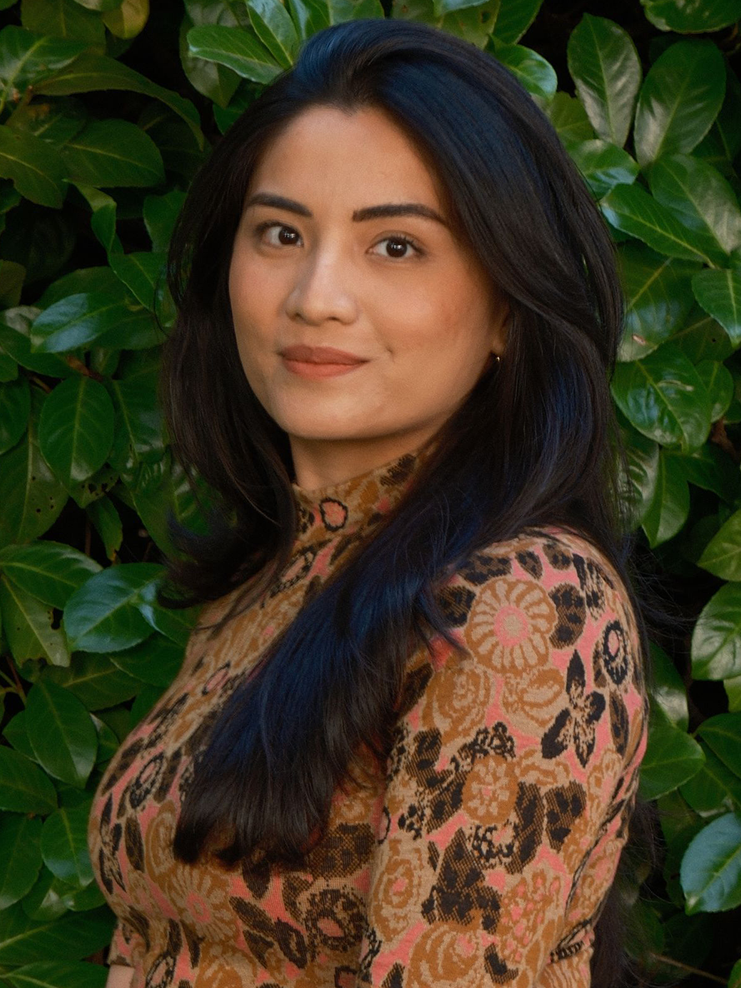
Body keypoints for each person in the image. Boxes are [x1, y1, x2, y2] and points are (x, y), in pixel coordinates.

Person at [89, 16, 656, 988]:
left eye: (395, 245)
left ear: (509, 310)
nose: (316, 295)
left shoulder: (523, 608)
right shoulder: (272, 580)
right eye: (280, 233)